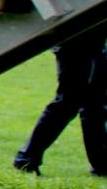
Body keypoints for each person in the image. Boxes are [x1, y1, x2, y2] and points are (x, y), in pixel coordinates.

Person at [13, 28, 107, 176]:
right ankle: (25, 159)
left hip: (94, 37)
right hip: (76, 35)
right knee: (69, 102)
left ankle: (102, 165)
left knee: (94, 106)